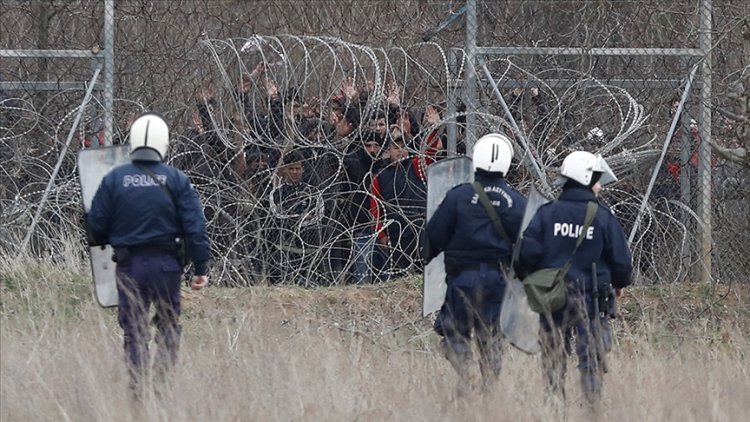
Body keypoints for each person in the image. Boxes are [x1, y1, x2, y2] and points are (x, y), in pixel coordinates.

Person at [86, 112, 210, 398]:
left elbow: (96, 226)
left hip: (129, 266)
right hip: (167, 267)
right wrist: (200, 267)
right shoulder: (177, 179)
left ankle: (138, 388)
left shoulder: (115, 178)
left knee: (134, 330)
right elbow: (195, 228)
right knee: (169, 324)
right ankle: (162, 384)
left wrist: (112, 236)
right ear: (163, 143)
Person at [515, 150, 632, 409]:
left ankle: (554, 404)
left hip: (552, 296)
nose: (600, 186)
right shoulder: (603, 217)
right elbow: (622, 261)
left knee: (553, 352)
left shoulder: (548, 213)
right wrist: (620, 283)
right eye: (597, 180)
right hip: (592, 297)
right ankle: (591, 407)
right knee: (591, 356)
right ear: (587, 179)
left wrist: (533, 282)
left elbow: (525, 255)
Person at [425, 133, 527, 395]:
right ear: (506, 163)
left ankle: (467, 371)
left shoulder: (459, 196)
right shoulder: (516, 202)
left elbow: (433, 236)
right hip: (499, 282)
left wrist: (426, 255)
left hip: (463, 279)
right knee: (491, 339)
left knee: (452, 334)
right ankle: (488, 391)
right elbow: (530, 246)